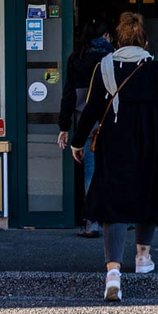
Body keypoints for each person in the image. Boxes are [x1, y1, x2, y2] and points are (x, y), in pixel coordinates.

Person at [70, 11, 158, 302]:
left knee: (115, 202)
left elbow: (90, 110)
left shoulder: (105, 67)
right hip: (152, 141)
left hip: (115, 140)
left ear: (117, 39)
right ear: (144, 39)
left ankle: (113, 272)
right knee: (147, 193)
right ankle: (142, 257)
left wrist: (77, 142)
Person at [56, 17, 113, 236]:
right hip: (112, 117)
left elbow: (69, 95)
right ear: (106, 35)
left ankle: (92, 221)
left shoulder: (77, 58)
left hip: (86, 120)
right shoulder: (112, 57)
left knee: (91, 170)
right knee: (114, 167)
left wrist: (64, 126)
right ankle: (117, 217)